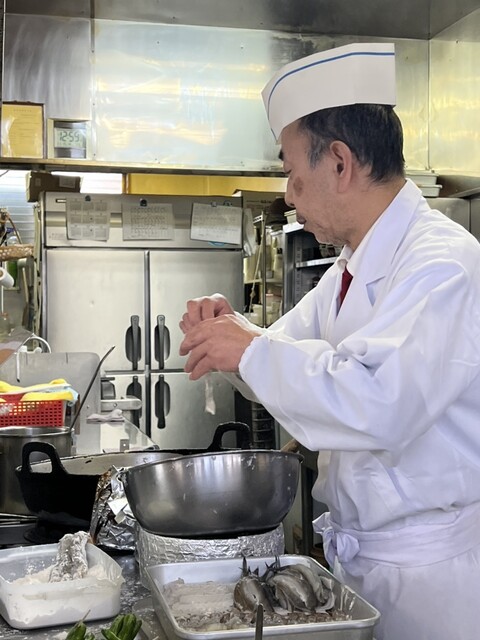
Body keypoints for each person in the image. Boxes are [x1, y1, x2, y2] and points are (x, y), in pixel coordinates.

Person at [179, 42, 480, 640]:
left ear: (340, 162)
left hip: (429, 582)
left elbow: (378, 401)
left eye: (291, 171)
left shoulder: (443, 263)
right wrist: (228, 334)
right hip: (362, 563)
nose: (289, 194)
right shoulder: (349, 268)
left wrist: (250, 348)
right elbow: (278, 360)